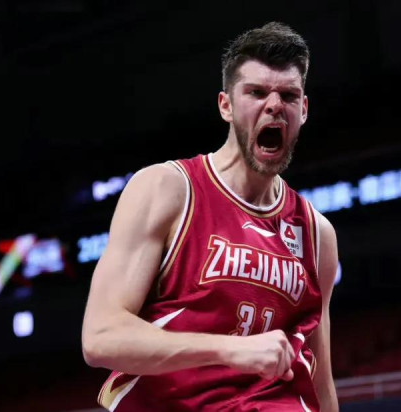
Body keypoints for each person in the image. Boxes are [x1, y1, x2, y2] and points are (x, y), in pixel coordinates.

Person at [81, 22, 339, 412]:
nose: (274, 105)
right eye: (256, 92)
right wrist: (230, 350)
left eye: (288, 95)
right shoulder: (167, 189)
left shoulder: (317, 233)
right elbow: (100, 337)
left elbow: (319, 378)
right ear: (226, 105)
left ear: (302, 110)